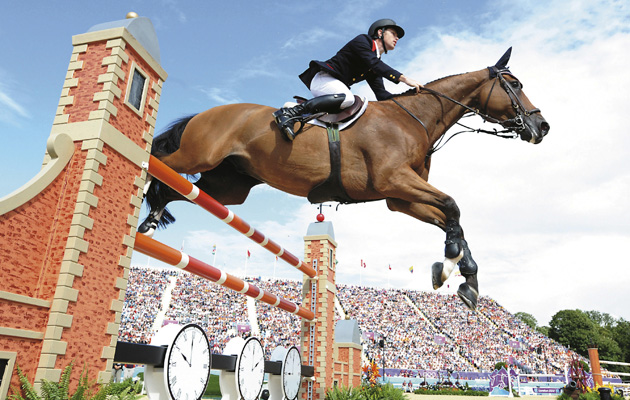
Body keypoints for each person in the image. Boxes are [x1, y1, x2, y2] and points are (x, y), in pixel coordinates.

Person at [273, 18, 423, 141]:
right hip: (324, 79)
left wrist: (408, 100)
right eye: (393, 33)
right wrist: (404, 78)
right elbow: (375, 64)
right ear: (380, 32)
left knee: (349, 102)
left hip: (334, 86)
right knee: (348, 99)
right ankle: (290, 113)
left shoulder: (374, 63)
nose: (397, 38)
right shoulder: (363, 41)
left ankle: (293, 108)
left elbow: (381, 94)